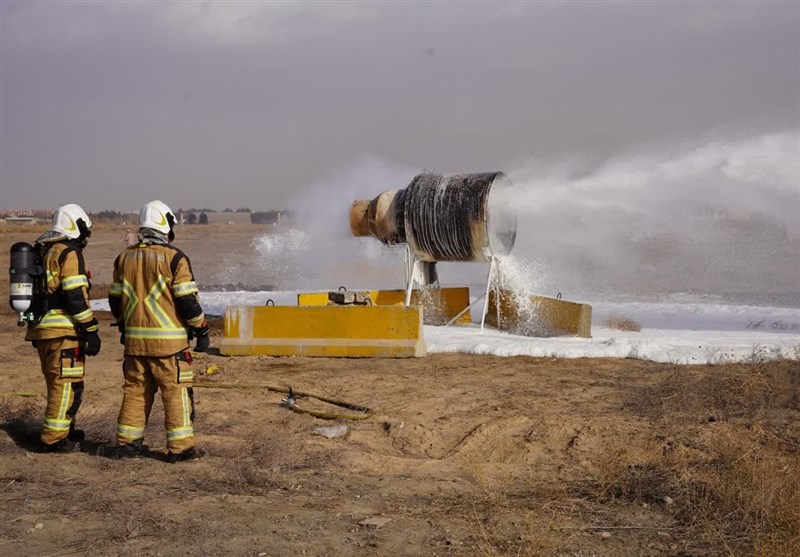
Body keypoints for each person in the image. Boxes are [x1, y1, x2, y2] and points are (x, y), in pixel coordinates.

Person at [108, 200, 209, 462]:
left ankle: (127, 446)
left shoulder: (124, 257)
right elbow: (187, 301)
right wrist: (201, 327)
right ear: (166, 225)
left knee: (135, 392)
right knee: (175, 393)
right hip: (170, 347)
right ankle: (181, 449)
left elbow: (114, 299)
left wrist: (125, 324)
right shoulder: (174, 258)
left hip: (134, 345)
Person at [24, 204, 101, 452]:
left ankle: (66, 429)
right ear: (76, 226)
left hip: (42, 328)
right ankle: (53, 439)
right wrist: (90, 328)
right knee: (67, 384)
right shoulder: (68, 253)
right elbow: (74, 296)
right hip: (63, 330)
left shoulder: (43, 250)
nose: (86, 237)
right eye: (85, 231)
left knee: (58, 382)